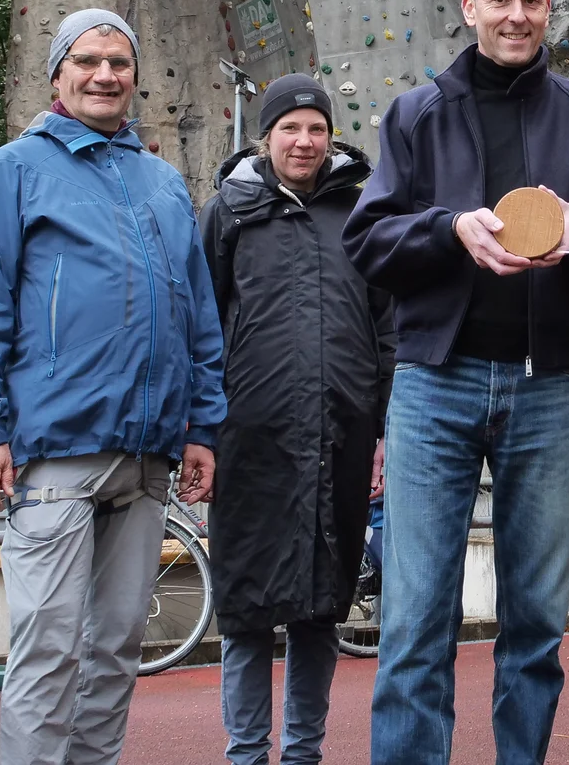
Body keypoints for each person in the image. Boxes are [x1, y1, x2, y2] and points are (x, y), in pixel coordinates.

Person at [343, 0, 569, 764]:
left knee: (536, 618)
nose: (517, 14)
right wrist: (451, 229)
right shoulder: (416, 114)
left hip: (546, 387)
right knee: (414, 618)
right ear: (470, 7)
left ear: (549, 7)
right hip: (433, 383)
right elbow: (367, 241)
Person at [0, 8, 225, 765]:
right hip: (56, 447)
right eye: (89, 59)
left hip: (147, 454)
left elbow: (199, 317)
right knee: (49, 647)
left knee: (117, 647)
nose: (106, 74)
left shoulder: (163, 182)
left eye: (120, 62)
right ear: (59, 73)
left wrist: (203, 426)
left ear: (136, 77)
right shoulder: (17, 169)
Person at [200, 74, 396, 765]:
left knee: (320, 602)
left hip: (340, 435)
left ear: (331, 134)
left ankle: (303, 753)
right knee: (248, 607)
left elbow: (385, 326)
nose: (305, 140)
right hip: (250, 438)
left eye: (316, 127)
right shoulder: (228, 211)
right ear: (267, 135)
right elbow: (204, 320)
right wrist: (202, 431)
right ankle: (247, 753)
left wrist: (380, 430)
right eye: (290, 127)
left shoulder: (363, 209)